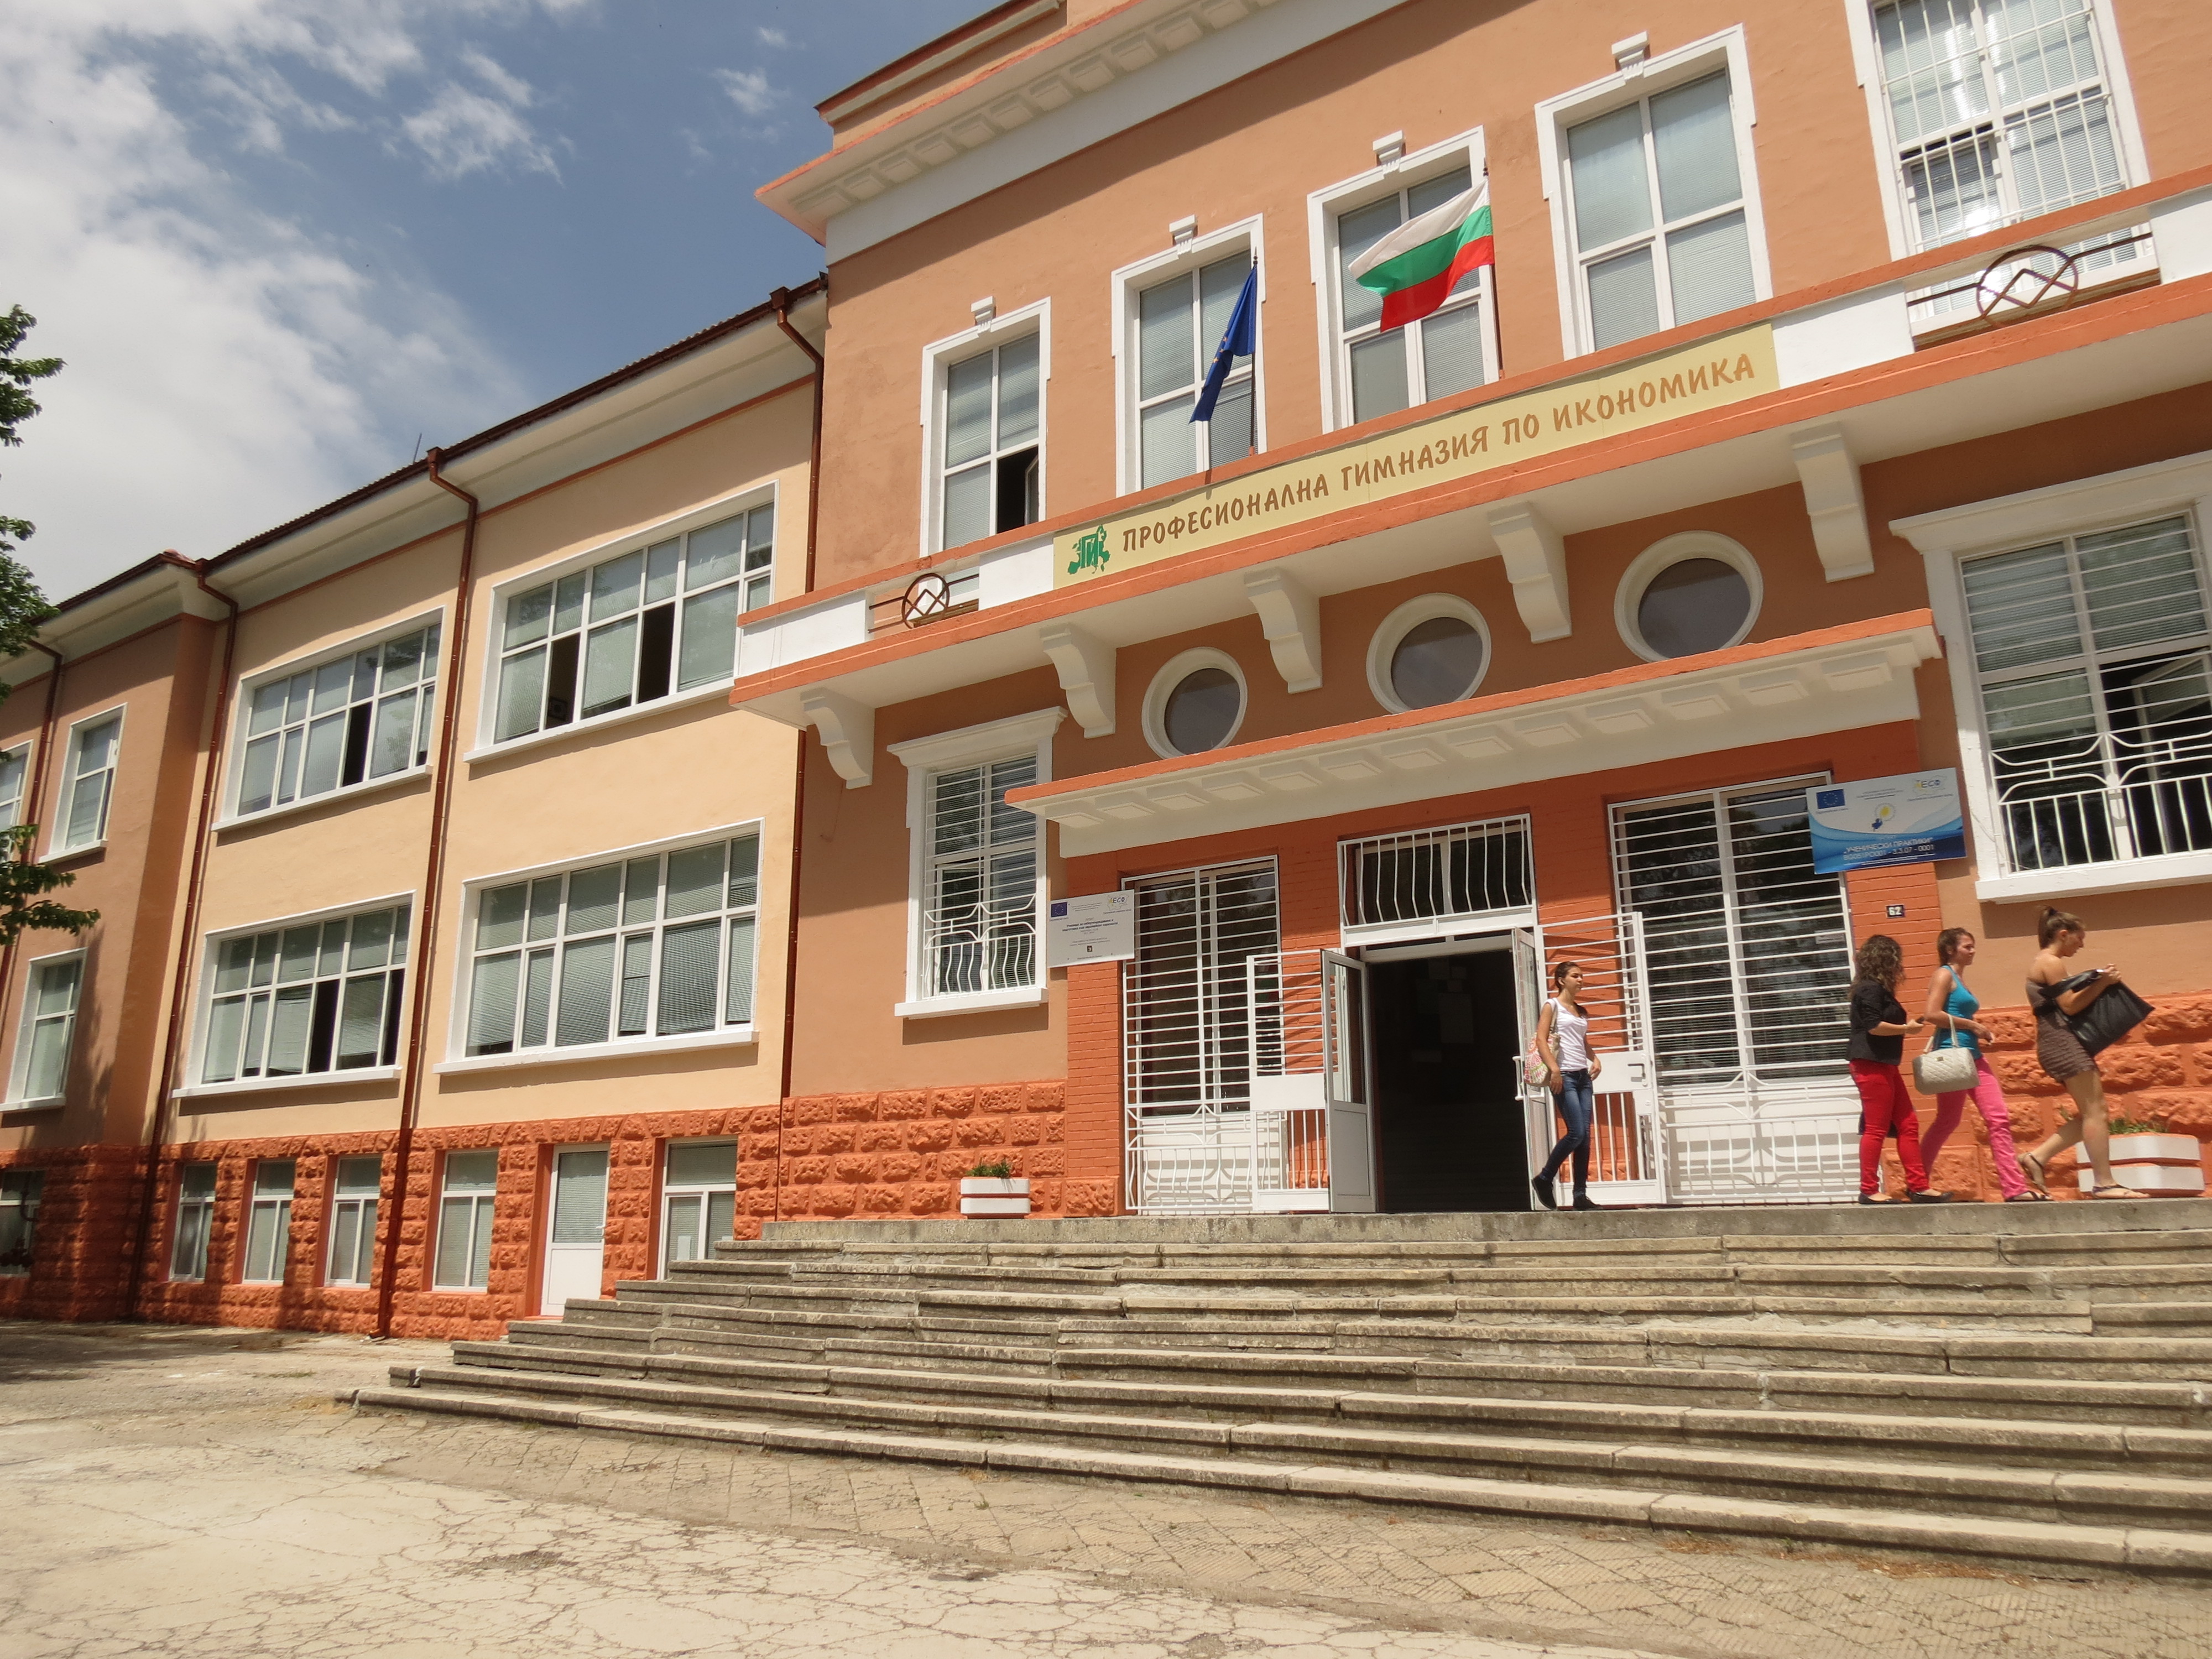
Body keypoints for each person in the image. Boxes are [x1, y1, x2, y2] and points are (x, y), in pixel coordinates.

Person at [2018, 907, 2145, 1199]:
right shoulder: (2051, 962)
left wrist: (2094, 980)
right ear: (2064, 934)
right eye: (2080, 938)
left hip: (2058, 1042)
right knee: (2096, 1111)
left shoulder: (2046, 962)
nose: (2082, 944)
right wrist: (2103, 983)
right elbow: (2070, 1006)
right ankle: (2104, 1183)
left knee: (2093, 1113)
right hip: (2062, 1042)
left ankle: (2037, 1157)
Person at [1920, 927, 2042, 1202]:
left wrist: (1978, 1030)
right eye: (1967, 947)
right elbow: (1932, 1014)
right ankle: (1917, 1181)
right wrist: (1972, 1025)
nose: (1973, 951)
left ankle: (2014, 1189)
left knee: (1997, 1118)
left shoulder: (1959, 978)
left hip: (1973, 1057)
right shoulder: (1944, 975)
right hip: (1954, 1058)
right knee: (1947, 1121)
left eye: (1973, 946)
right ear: (1950, 949)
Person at [1849, 933, 1951, 1204]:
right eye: (1897, 961)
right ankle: (1869, 1190)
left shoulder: (1877, 990)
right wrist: (1907, 1029)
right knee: (1876, 1128)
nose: (1900, 967)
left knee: (1908, 1124)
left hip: (1884, 1064)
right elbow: (1874, 1026)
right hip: (1870, 1064)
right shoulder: (1869, 989)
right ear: (1887, 961)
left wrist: (1908, 1027)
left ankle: (1918, 1186)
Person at [1532, 961, 1601, 1212]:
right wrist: (1555, 1070)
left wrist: (1595, 1058)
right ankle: (1544, 1178)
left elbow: (1582, 1041)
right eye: (1575, 976)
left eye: (1582, 976)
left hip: (1583, 1077)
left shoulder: (1580, 1011)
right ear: (1562, 980)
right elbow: (1541, 1040)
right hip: (1564, 1077)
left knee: (1585, 1138)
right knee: (1576, 1133)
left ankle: (1580, 1196)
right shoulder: (1552, 1006)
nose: (1581, 980)